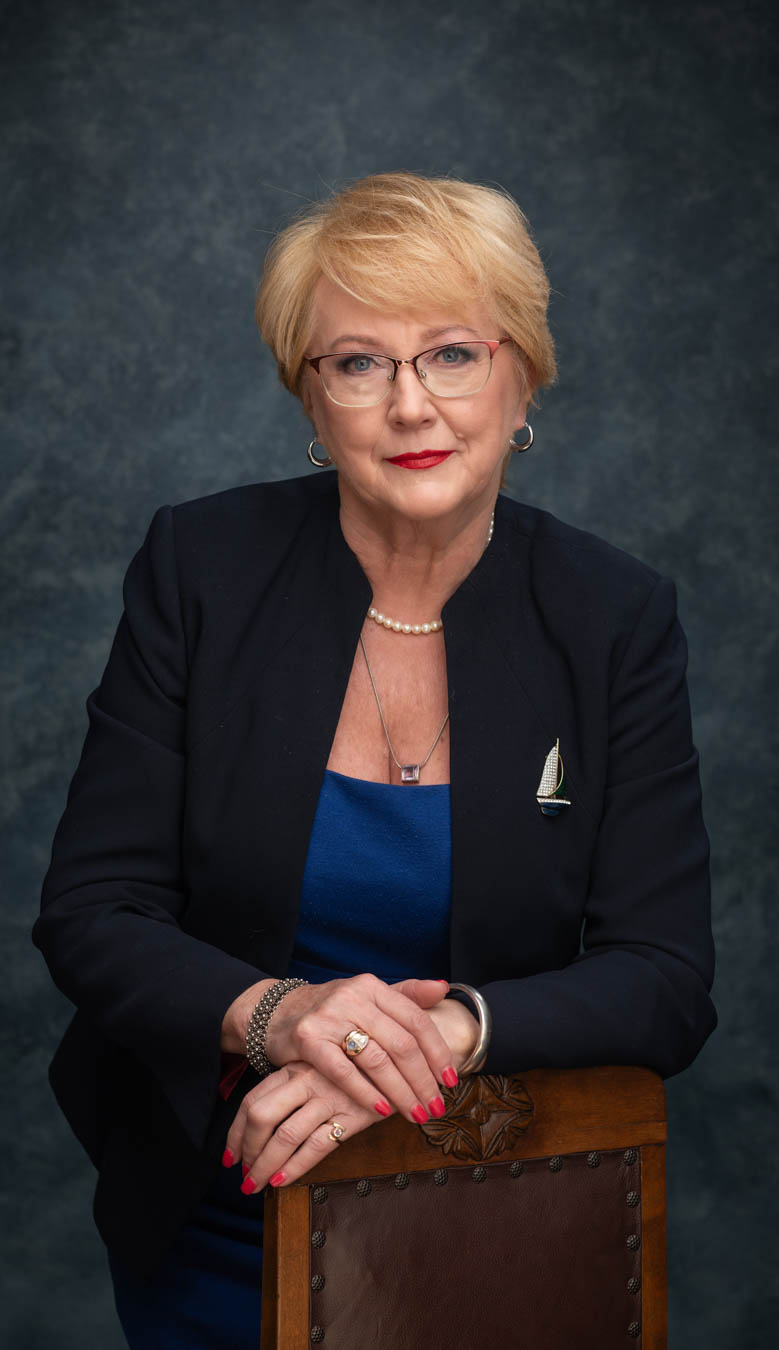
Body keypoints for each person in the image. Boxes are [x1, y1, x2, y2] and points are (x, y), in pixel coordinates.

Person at [34, 170, 717, 1347]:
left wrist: (434, 1040)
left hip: (493, 1208)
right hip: (224, 1198)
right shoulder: (202, 569)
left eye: (452, 353)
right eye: (358, 363)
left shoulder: (613, 615)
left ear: (522, 376)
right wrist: (282, 1016)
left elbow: (664, 978)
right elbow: (93, 911)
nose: (411, 405)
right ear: (311, 398)